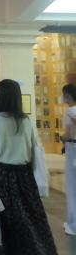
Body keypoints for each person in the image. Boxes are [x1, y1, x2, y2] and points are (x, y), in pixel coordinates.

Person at [0, 79, 57, 254]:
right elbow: (32, 153)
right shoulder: (26, 121)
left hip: (3, 178)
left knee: (5, 221)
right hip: (25, 177)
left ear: (1, 96)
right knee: (30, 220)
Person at [62, 83, 76, 235]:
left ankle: (73, 225)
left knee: (72, 187)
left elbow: (68, 134)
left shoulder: (70, 111)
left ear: (67, 95)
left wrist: (62, 138)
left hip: (72, 149)